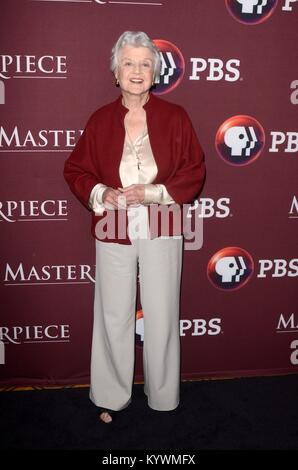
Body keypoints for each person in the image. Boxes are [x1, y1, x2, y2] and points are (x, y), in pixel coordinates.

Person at [64, 31, 205, 424]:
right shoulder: (99, 119)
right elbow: (75, 169)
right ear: (116, 72)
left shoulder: (176, 116)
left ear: (156, 72)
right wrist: (99, 192)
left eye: (145, 63)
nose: (137, 71)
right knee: (113, 313)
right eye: (129, 63)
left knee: (162, 311)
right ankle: (111, 392)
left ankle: (163, 397)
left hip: (164, 223)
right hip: (113, 225)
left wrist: (155, 192)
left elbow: (194, 170)